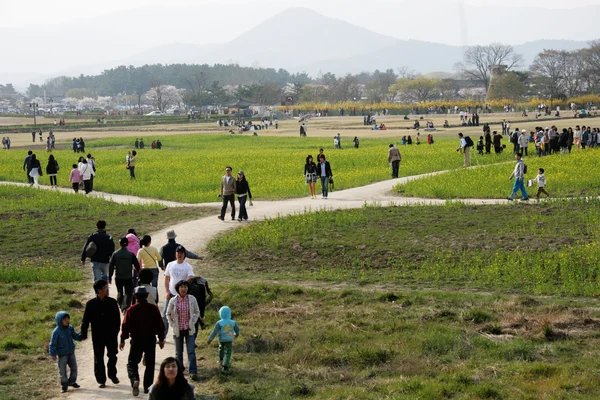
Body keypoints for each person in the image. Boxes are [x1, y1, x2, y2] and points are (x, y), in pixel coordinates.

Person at [120, 286, 166, 396]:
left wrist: (122, 339)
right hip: (150, 339)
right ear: (146, 296)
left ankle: (134, 379)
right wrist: (161, 338)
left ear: (135, 297)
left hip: (136, 340)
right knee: (150, 365)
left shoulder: (131, 310)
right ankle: (147, 387)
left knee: (132, 363)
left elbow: (125, 326)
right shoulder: (153, 308)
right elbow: (160, 324)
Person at [81, 279, 121, 388]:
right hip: (97, 335)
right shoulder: (91, 304)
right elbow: (85, 320)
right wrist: (84, 334)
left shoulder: (112, 302)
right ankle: (101, 380)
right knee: (98, 358)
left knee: (112, 356)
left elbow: (117, 319)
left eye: (106, 287)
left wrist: (116, 331)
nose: (106, 290)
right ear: (98, 290)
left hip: (111, 335)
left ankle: (112, 375)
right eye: (104, 288)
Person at [163, 246, 196, 337]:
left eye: (181, 252)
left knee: (184, 315)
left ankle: (186, 333)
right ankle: (163, 336)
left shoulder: (187, 266)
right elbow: (166, 279)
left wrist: (192, 277)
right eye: (178, 252)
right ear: (176, 253)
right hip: (171, 293)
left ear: (184, 254)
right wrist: (166, 291)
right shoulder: (170, 264)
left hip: (182, 294)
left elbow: (190, 277)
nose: (180, 254)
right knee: (165, 314)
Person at [49, 311, 83, 393]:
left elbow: (75, 336)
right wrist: (53, 354)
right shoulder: (56, 332)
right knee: (62, 371)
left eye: (68, 319)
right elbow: (53, 344)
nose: (67, 321)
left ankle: (72, 381)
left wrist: (81, 337)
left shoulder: (70, 328)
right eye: (64, 319)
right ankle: (64, 385)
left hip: (71, 352)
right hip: (62, 354)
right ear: (59, 321)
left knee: (74, 368)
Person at [109, 237, 141, 312]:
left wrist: (110, 277)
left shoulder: (115, 254)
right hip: (128, 277)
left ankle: (121, 304)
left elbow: (111, 266)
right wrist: (139, 274)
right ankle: (126, 307)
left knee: (120, 292)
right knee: (128, 292)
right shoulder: (131, 254)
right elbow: (137, 265)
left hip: (119, 277)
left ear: (120, 244)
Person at [207, 306, 240, 372]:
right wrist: (236, 334)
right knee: (228, 352)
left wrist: (209, 339)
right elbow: (237, 329)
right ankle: (226, 366)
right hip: (229, 339)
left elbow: (214, 332)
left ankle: (221, 359)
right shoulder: (233, 322)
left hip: (221, 339)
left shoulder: (219, 323)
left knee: (221, 348)